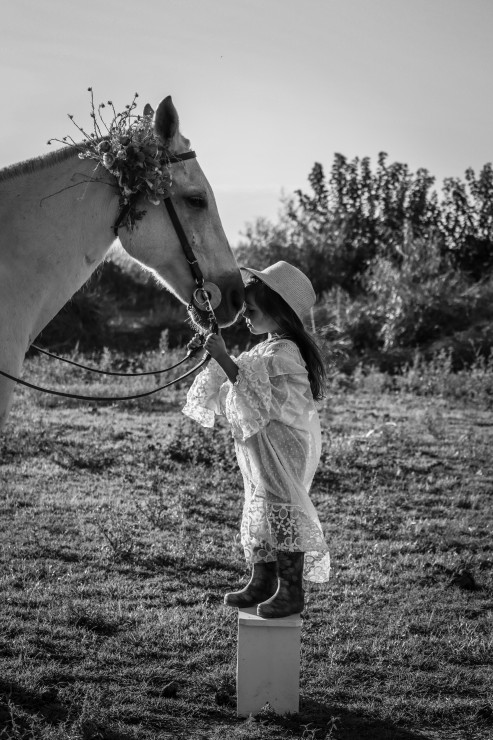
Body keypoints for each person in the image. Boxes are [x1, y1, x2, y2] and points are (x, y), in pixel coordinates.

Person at [182, 261, 330, 618]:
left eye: (252, 310)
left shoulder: (284, 353)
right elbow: (244, 385)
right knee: (263, 504)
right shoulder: (268, 349)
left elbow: (254, 392)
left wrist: (223, 357)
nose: (246, 316)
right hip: (267, 442)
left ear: (279, 313)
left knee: (283, 506)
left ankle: (291, 590)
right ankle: (262, 580)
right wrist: (216, 357)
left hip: (283, 445)